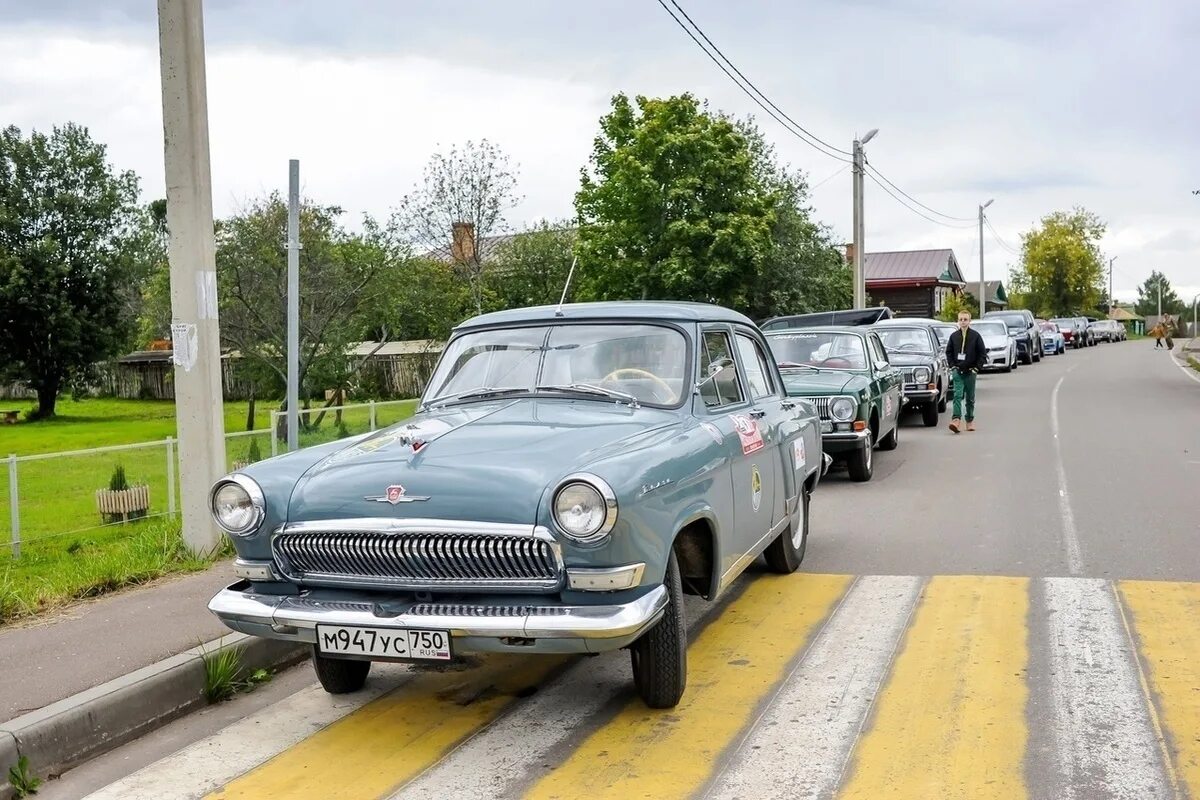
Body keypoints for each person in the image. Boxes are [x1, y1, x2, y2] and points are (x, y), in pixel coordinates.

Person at [945, 310, 987, 433]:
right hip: (958, 371)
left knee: (970, 397)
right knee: (957, 395)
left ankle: (969, 420)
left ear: (969, 321)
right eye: (961, 319)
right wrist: (952, 366)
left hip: (970, 371)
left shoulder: (976, 336)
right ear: (958, 321)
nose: (963, 322)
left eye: (965, 319)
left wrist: (976, 368)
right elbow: (949, 352)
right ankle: (956, 420)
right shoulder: (953, 336)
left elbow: (982, 354)